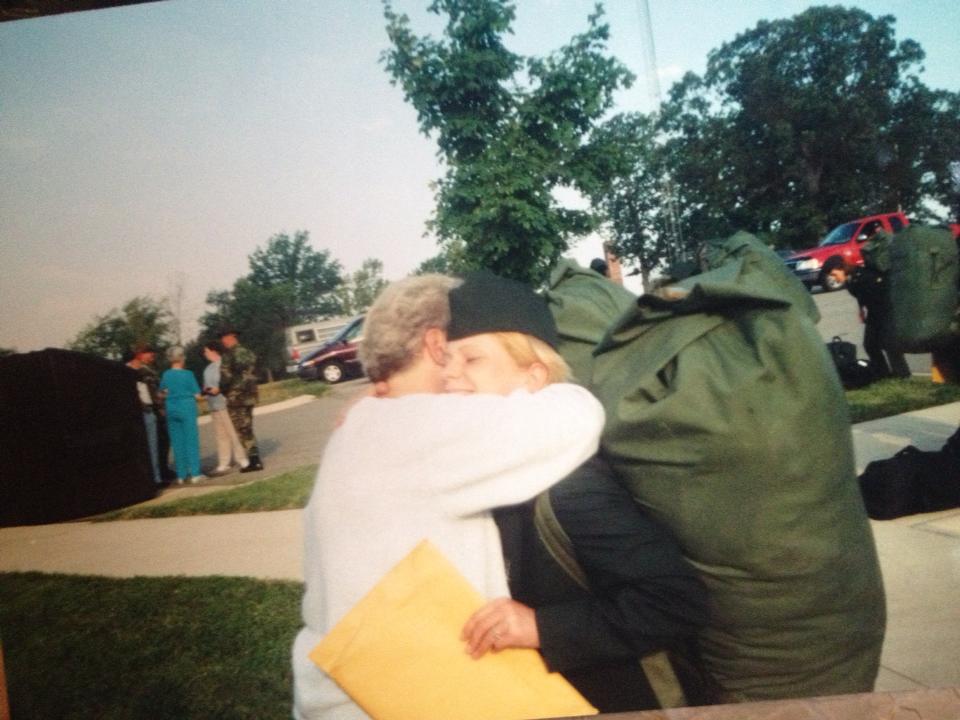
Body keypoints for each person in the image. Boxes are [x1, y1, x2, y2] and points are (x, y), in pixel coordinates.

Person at [291, 273, 606, 720]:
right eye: (457, 354)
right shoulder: (419, 428)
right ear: (436, 344)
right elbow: (577, 417)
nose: (458, 375)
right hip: (404, 701)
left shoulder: (371, 425)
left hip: (343, 694)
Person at [444, 271, 716, 712]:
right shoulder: (478, 472)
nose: (450, 377)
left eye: (471, 359)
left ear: (533, 376)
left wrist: (542, 628)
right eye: (445, 362)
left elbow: (676, 600)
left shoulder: (569, 489)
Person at [847, 229, 910, 378]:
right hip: (876, 310)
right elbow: (862, 295)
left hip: (883, 308)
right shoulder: (859, 275)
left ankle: (902, 375)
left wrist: (862, 309)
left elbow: (865, 293)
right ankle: (885, 373)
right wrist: (861, 309)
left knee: (887, 344)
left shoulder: (864, 273)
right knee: (872, 344)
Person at [219, 327, 263, 472]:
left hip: (236, 397)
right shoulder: (249, 353)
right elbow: (255, 373)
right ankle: (254, 459)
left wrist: (223, 390)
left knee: (242, 429)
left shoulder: (228, 355)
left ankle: (254, 460)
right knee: (248, 427)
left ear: (230, 337)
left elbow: (226, 378)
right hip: (250, 395)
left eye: (224, 338)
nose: (223, 341)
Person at [159, 346, 205, 484]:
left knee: (177, 442)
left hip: (171, 408)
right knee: (191, 440)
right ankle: (195, 473)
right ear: (182, 358)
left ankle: (181, 475)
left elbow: (161, 393)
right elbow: (198, 396)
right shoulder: (188, 374)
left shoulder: (166, 375)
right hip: (186, 407)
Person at [201, 340, 248, 475]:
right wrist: (205, 390)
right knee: (221, 435)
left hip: (226, 404)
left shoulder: (225, 365)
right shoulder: (207, 369)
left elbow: (231, 382)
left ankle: (242, 459)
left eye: (206, 351)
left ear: (213, 351)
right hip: (214, 405)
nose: (204, 354)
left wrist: (220, 389)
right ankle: (224, 462)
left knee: (234, 432)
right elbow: (206, 385)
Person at [126, 344, 165, 487]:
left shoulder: (147, 371)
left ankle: (156, 479)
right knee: (138, 448)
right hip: (134, 414)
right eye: (148, 353)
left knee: (153, 446)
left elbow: (155, 390)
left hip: (149, 412)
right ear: (139, 354)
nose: (151, 357)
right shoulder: (125, 371)